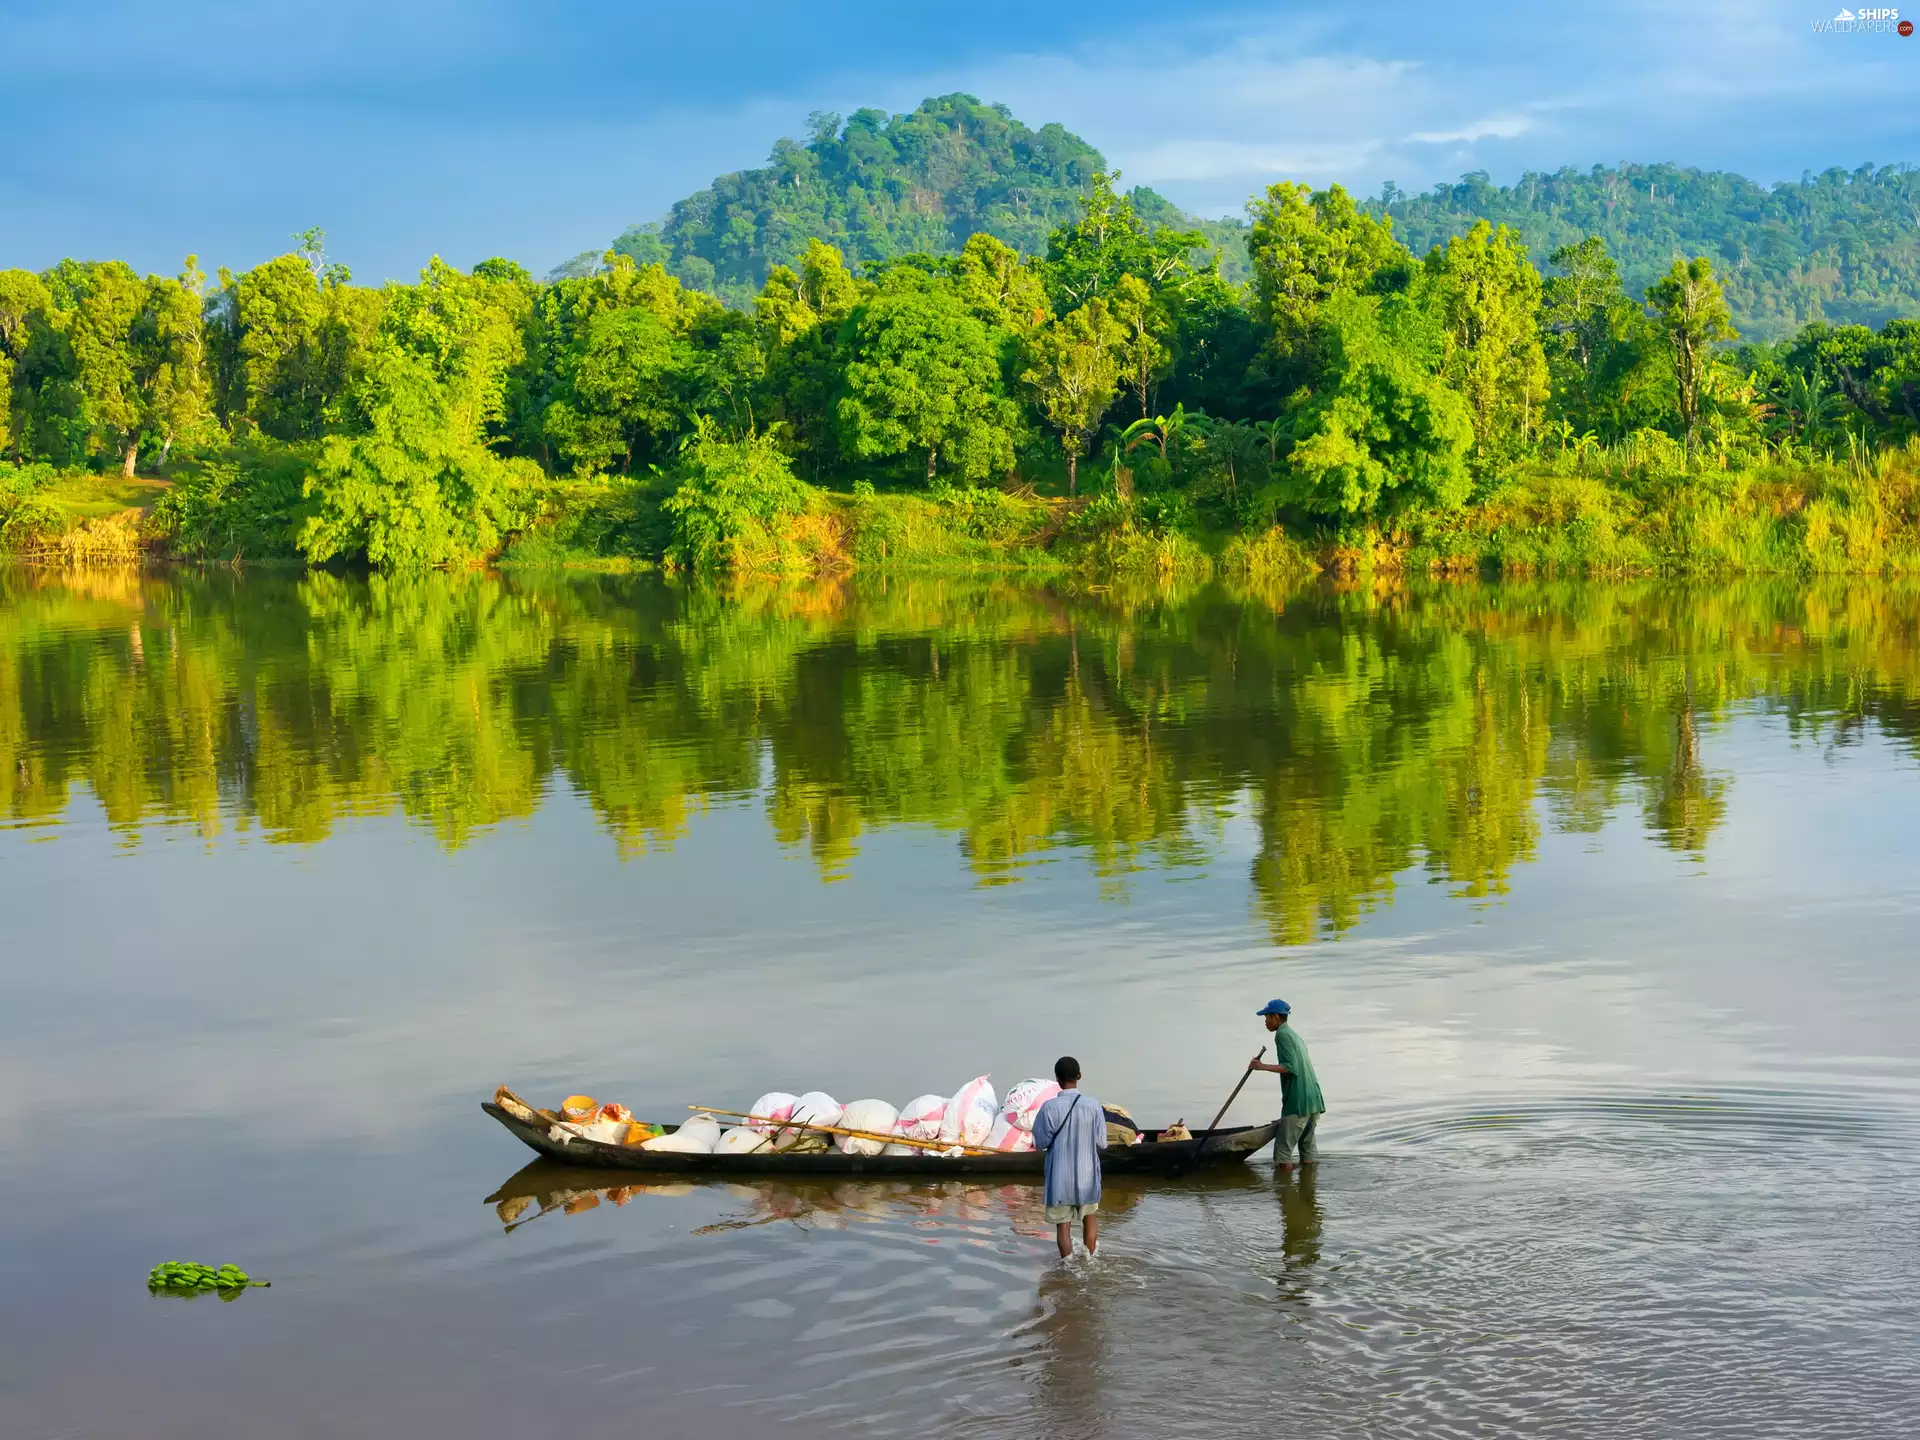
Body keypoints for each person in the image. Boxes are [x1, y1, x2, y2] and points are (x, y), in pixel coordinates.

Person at [1031, 1055, 1106, 1258]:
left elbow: (1039, 1143)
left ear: (1057, 1079)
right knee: (1089, 1219)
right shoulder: (1093, 1106)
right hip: (1087, 1177)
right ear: (1079, 1075)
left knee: (1062, 1228)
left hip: (1059, 1179)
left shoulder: (1048, 1108)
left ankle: (1068, 1269)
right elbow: (1102, 1143)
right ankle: (1090, 1263)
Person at [1250, 999, 1324, 1175]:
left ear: (1276, 1017)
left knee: (1283, 1154)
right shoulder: (1295, 1036)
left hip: (1298, 1102)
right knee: (1308, 1151)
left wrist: (1262, 1066)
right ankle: (1309, 1192)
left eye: (1267, 1017)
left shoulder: (1282, 1035)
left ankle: (1285, 1195)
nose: (1265, 1021)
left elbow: (1291, 1067)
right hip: (1313, 1100)